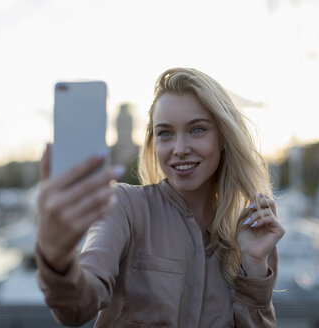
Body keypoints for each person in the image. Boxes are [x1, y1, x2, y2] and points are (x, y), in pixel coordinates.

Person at [35, 67, 285, 327]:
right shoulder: (125, 206)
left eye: (197, 130)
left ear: (223, 136)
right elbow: (77, 307)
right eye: (165, 133)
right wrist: (58, 258)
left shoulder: (250, 233)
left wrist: (254, 266)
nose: (179, 149)